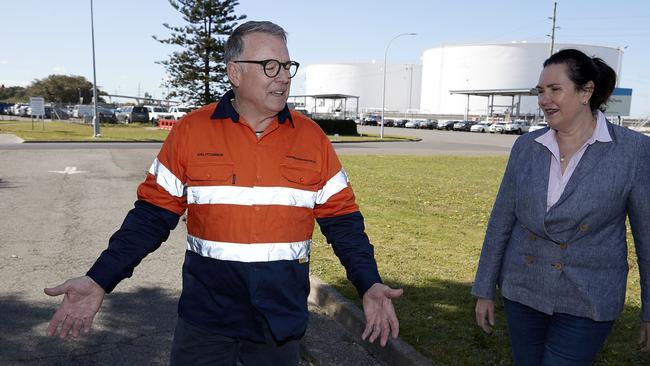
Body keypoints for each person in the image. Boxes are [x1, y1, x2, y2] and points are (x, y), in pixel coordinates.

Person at [44, 20, 403, 365]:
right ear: (235, 72)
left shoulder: (313, 140)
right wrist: (99, 279)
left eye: (287, 66)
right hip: (206, 323)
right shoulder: (190, 132)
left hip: (278, 325)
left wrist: (368, 282)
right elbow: (151, 217)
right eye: (270, 65)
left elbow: (343, 223)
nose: (283, 77)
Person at [471, 48, 650, 365]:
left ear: (586, 92)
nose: (543, 99)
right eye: (541, 91)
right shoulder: (526, 146)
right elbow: (501, 220)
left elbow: (647, 235)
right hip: (524, 290)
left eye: (555, 89)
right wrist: (484, 289)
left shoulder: (633, 150)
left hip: (588, 295)